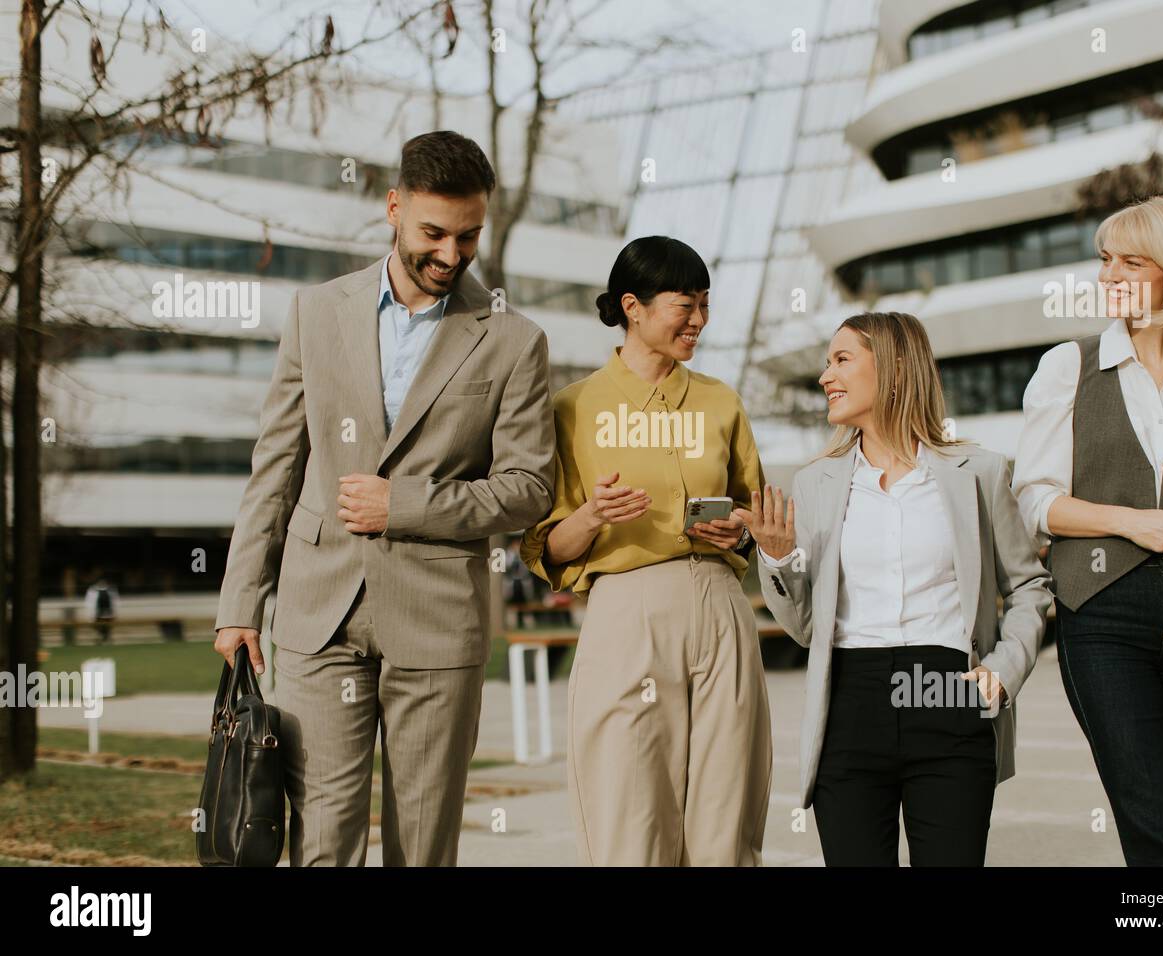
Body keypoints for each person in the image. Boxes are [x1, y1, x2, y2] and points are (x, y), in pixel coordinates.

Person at [213, 131, 555, 866]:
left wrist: (402, 504)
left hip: (436, 621)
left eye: (469, 236)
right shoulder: (316, 312)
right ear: (394, 208)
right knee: (323, 840)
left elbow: (529, 488)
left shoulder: (514, 340)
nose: (452, 254)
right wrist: (240, 602)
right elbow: (274, 465)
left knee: (422, 845)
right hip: (316, 614)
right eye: (433, 233)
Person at [743, 312, 1050, 866]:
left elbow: (1029, 586)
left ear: (894, 365)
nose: (825, 377)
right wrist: (777, 556)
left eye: (841, 360)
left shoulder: (976, 472)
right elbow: (805, 625)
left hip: (950, 693)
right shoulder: (817, 483)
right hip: (850, 702)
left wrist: (1002, 675)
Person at [1012, 194, 1163, 866]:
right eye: (1104, 260)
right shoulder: (1068, 367)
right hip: (1102, 618)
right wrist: (1131, 522)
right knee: (1157, 822)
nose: (1108, 275)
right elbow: (1036, 499)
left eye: (1130, 260)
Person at [520, 236, 772, 866]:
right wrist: (592, 515)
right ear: (632, 306)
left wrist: (738, 530)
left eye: (706, 305)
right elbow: (546, 547)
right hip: (625, 612)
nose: (699, 321)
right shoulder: (572, 408)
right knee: (628, 820)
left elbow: (756, 513)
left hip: (720, 608)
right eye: (685, 305)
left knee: (726, 821)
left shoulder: (722, 402)